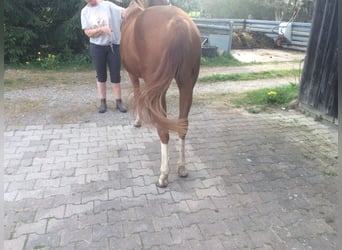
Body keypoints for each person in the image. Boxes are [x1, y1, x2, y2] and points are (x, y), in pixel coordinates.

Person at [81, 0, 127, 113]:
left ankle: (119, 101)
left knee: (115, 75)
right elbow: (88, 32)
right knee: (101, 75)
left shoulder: (107, 5)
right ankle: (103, 102)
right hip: (97, 47)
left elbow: (124, 13)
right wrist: (101, 29)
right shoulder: (85, 11)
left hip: (113, 46)